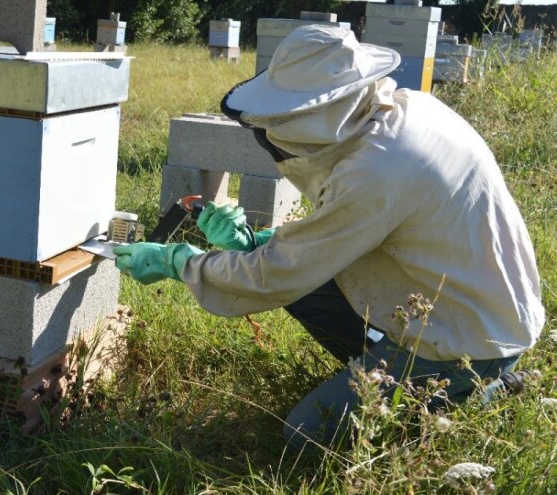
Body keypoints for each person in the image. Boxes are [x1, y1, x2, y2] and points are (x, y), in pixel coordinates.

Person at [113, 25, 545, 451]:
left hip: (465, 339)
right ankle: (420, 375)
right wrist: (258, 242)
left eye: (285, 117)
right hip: (471, 301)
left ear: (321, 112)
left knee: (306, 435)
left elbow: (279, 273)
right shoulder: (407, 110)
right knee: (302, 288)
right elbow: (343, 238)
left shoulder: (377, 170)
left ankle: (472, 392)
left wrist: (178, 261)